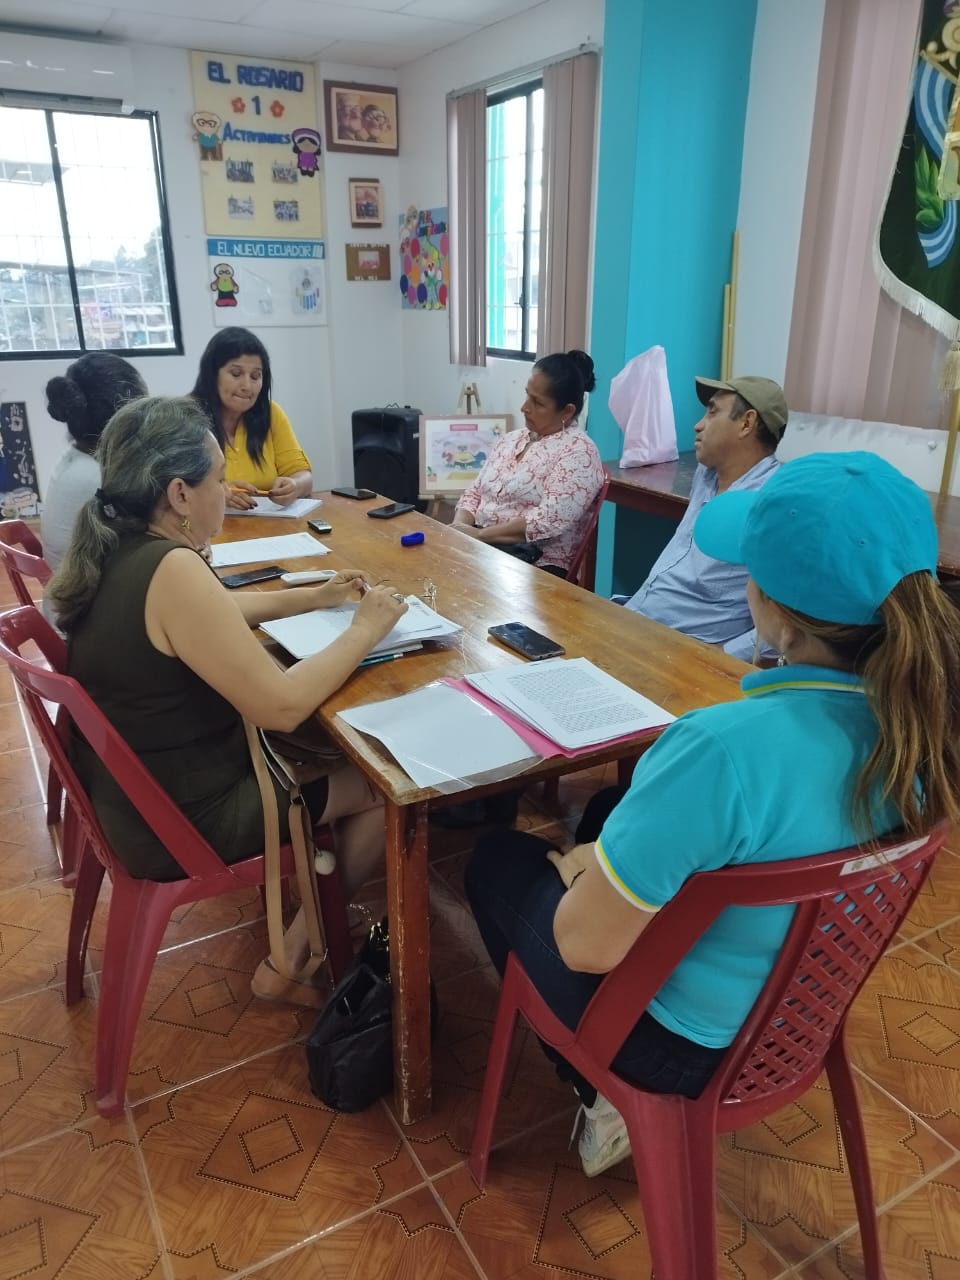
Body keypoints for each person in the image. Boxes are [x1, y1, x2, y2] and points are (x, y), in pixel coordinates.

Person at [465, 451, 960, 1178]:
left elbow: (584, 947)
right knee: (608, 809)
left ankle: (597, 1090)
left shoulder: (719, 749)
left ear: (780, 621)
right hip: (796, 1018)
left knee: (496, 862)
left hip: (676, 1046)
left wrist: (583, 876)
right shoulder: (926, 733)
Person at [48, 396, 408, 1005]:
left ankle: (312, 905)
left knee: (321, 747)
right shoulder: (172, 569)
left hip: (132, 800)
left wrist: (314, 596)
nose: (228, 490)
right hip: (185, 821)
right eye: (218, 479)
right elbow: (282, 706)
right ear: (180, 494)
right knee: (381, 786)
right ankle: (291, 960)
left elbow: (213, 611)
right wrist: (365, 629)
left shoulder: (119, 543)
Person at [619, 374, 788, 662]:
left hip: (685, 652)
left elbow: (789, 618)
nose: (698, 425)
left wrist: (723, 656)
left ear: (746, 423)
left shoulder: (774, 502)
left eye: (712, 412)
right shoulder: (708, 472)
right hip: (638, 619)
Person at [453, 350, 606, 576]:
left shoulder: (578, 452)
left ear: (567, 411)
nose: (524, 407)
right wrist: (459, 529)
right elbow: (475, 491)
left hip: (533, 565)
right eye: (527, 395)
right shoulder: (512, 439)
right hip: (482, 548)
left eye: (537, 402)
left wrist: (478, 536)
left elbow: (547, 520)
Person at [41, 354, 148, 622]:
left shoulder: (75, 461)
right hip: (86, 622)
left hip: (67, 605)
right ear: (126, 421)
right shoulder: (98, 480)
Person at [190, 327, 313, 510]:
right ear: (212, 374)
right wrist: (219, 494)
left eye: (255, 376)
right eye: (236, 374)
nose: (247, 386)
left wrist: (295, 485)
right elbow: (170, 491)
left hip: (268, 523)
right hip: (208, 525)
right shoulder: (186, 418)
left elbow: (304, 476)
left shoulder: (271, 413)